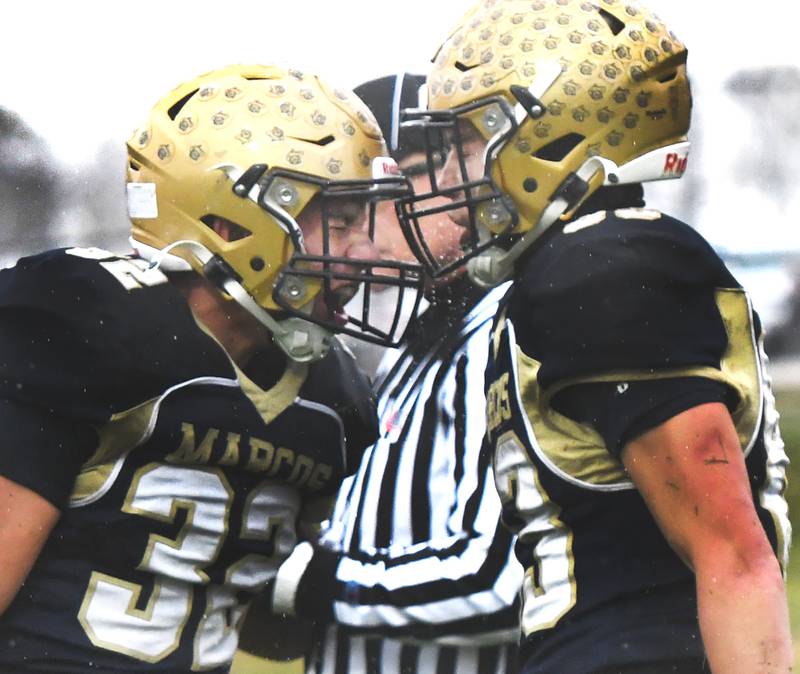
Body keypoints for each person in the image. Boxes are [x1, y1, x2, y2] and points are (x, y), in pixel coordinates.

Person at [395, 2, 793, 673]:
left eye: (467, 142)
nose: (453, 174)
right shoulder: (575, 266)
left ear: (551, 138)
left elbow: (733, 552)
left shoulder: (602, 272)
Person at [0, 64, 425, 673]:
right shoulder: (85, 323)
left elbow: (272, 641)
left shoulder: (332, 394)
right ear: (229, 222)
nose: (367, 250)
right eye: (340, 215)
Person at [263, 73, 523, 674]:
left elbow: (500, 583)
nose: (462, 193)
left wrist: (303, 584)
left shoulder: (505, 329)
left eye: (414, 176)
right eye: (350, 210)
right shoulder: (416, 345)